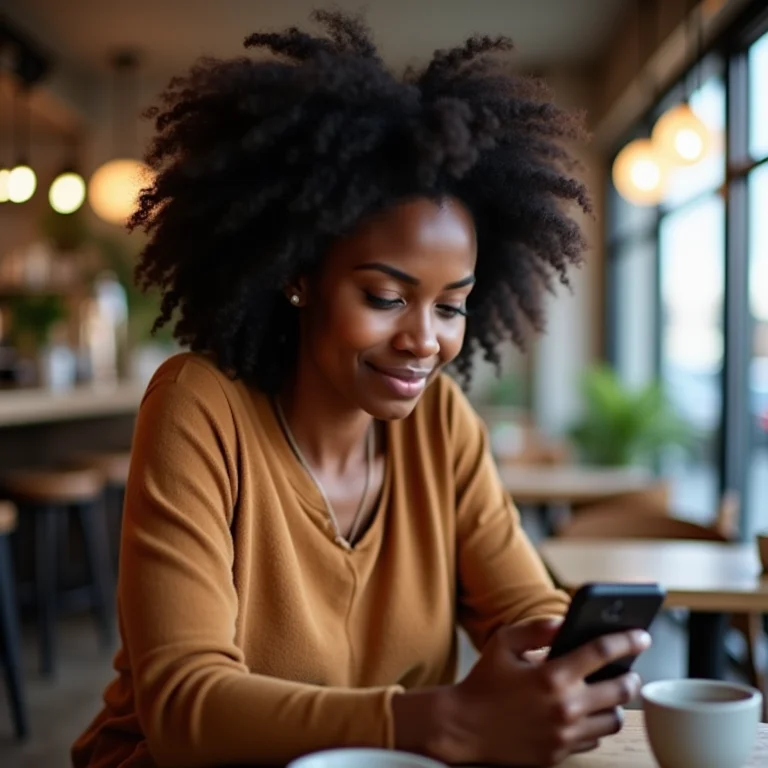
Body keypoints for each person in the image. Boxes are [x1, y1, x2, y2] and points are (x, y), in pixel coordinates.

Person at [72, 10, 650, 768]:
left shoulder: (439, 420)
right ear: (297, 276)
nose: (424, 340)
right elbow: (186, 711)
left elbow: (524, 604)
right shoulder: (198, 405)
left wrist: (558, 666)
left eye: (451, 307)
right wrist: (440, 722)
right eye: (385, 297)